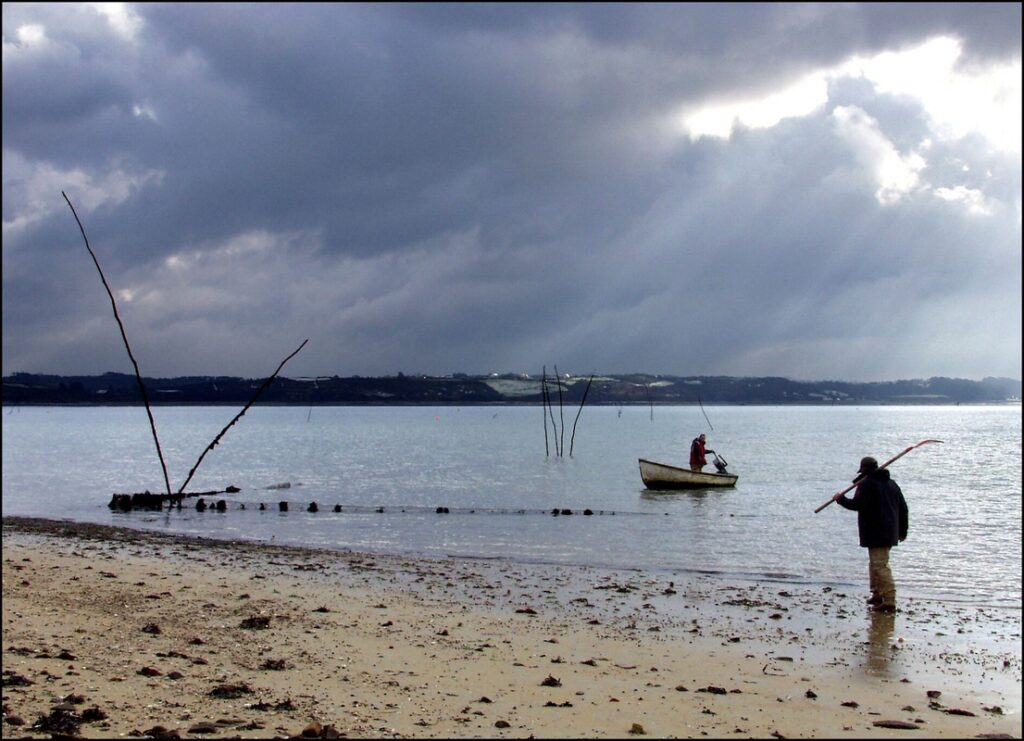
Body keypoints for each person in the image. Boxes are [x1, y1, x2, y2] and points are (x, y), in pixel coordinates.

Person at [832, 456, 908, 612]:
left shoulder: (867, 484)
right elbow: (904, 509)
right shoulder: (892, 484)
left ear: (864, 470)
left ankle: (889, 599)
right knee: (875, 563)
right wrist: (902, 531)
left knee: (880, 565)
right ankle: (877, 594)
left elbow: (858, 504)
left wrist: (840, 499)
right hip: (889, 531)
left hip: (876, 531)